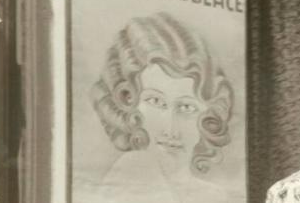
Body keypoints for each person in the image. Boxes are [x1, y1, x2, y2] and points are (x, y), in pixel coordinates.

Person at [90, 11, 234, 187]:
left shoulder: (217, 201)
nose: (170, 129)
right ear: (128, 102)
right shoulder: (123, 181)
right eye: (156, 102)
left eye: (187, 107)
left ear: (209, 116)